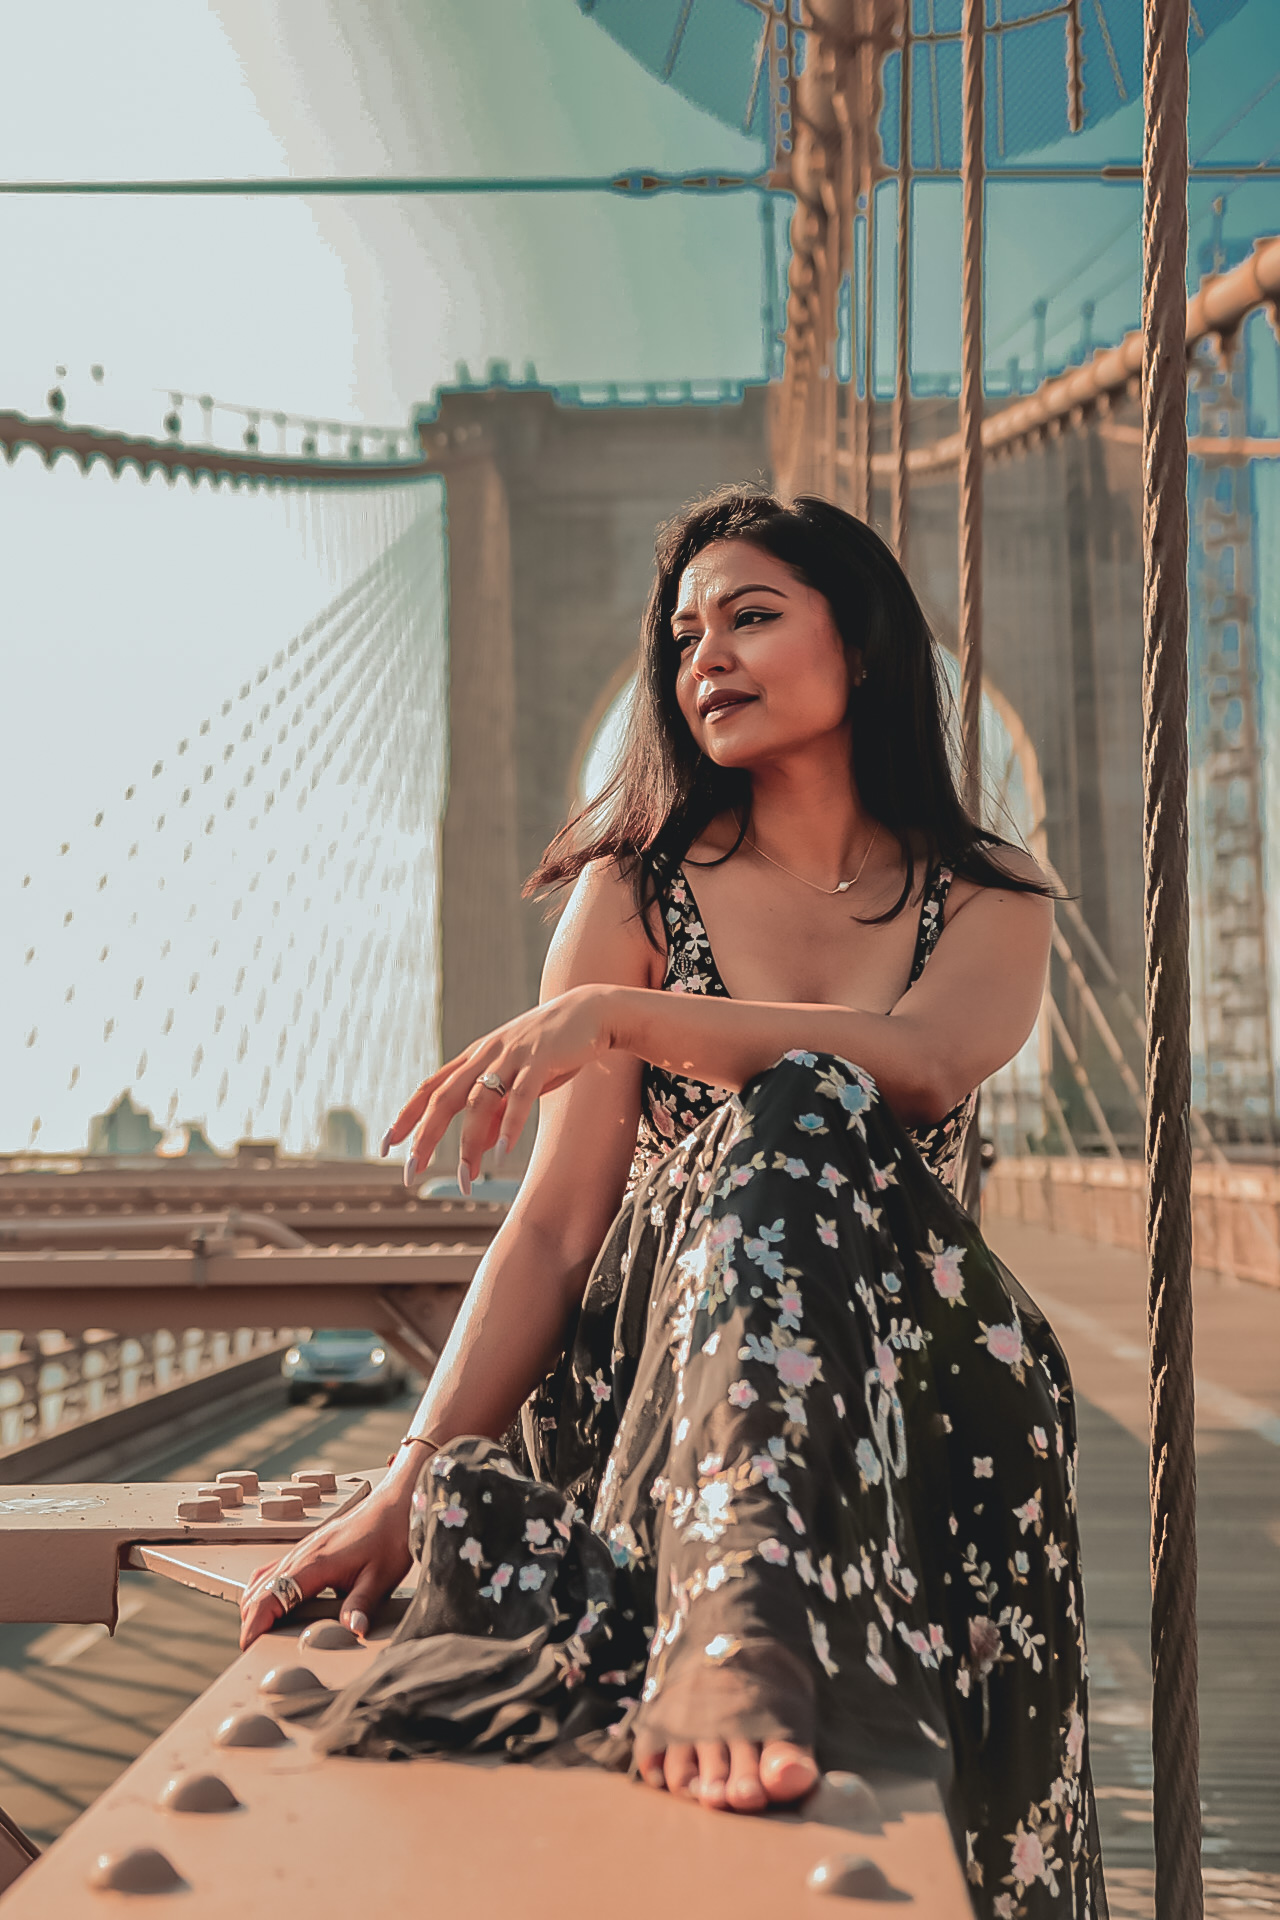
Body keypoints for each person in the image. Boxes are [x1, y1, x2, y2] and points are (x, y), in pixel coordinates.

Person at [241, 489, 1106, 1918]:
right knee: (786, 1110)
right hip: (662, 1386)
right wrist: (405, 1483)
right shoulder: (637, 889)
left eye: (753, 614)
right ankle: (732, 1610)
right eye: (685, 633)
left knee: (804, 1107)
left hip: (922, 1406)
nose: (707, 653)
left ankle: (745, 1608)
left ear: (869, 644)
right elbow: (556, 1228)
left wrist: (620, 1017)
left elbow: (930, 1063)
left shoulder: (986, 893)